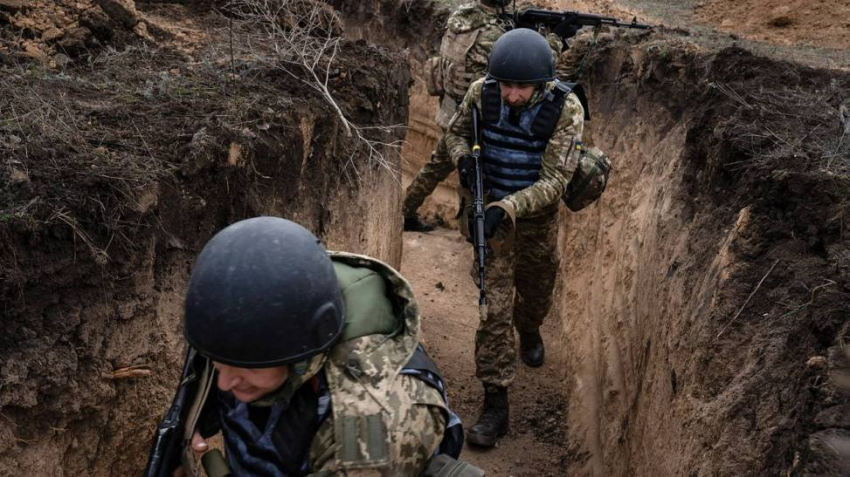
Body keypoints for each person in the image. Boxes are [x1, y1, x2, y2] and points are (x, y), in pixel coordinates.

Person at [176, 216, 478, 476]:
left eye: (246, 368)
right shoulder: (260, 309)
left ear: (300, 351)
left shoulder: (371, 430)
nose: (224, 382)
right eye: (218, 365)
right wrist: (195, 424)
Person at [444, 28, 585, 448]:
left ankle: (531, 327)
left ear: (540, 84)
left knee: (537, 294)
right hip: (492, 221)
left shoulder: (566, 109)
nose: (511, 95)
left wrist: (508, 207)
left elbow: (556, 181)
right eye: (505, 85)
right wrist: (462, 160)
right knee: (494, 309)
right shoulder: (481, 93)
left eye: (521, 88)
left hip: (535, 222)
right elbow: (454, 133)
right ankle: (496, 403)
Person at [404, 0, 561, 232]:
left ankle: (406, 211)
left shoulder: (463, 17)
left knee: (436, 166)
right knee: (475, 176)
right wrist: (555, 40)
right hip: (477, 117)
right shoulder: (493, 35)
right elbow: (531, 68)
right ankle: (474, 226)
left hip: (451, 108)